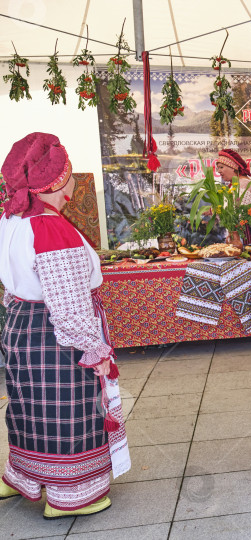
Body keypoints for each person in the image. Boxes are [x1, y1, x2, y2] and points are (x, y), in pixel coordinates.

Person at [0, 133, 129, 518]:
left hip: (22, 323)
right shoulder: (50, 228)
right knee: (69, 409)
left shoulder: (11, 218)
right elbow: (69, 303)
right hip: (55, 331)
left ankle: (20, 475)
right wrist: (96, 350)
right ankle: (72, 493)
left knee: (28, 405)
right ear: (61, 180)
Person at [216, 148, 251, 244]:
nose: (218, 171)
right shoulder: (235, 184)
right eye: (218, 168)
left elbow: (237, 212)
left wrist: (215, 211)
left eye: (221, 167)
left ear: (233, 167)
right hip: (245, 228)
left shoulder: (243, 183)